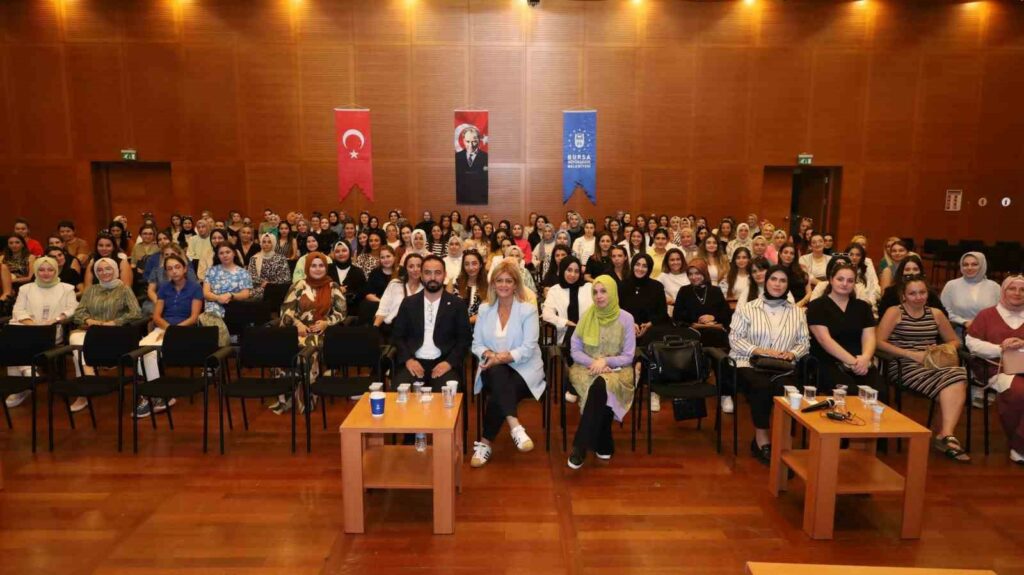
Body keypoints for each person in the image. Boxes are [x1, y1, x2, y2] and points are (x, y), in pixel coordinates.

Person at [877, 275, 971, 463]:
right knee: (954, 379)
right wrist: (910, 354)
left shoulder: (935, 314)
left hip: (932, 363)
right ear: (903, 296)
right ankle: (944, 437)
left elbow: (955, 340)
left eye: (922, 292)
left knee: (958, 374)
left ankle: (946, 433)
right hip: (903, 365)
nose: (918, 297)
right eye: (912, 293)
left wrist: (942, 348)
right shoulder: (895, 312)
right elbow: (879, 342)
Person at [729, 266, 810, 464]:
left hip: (783, 366)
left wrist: (792, 353)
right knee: (762, 386)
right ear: (766, 282)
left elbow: (804, 342)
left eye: (783, 280)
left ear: (788, 285)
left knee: (788, 390)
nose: (777, 284)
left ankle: (784, 444)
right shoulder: (748, 308)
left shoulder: (797, 312)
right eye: (773, 279)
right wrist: (759, 350)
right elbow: (735, 339)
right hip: (749, 362)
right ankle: (762, 441)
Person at [470, 259, 546, 467]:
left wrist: (499, 358)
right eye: (499, 280)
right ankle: (516, 427)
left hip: (524, 369)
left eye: (508, 281)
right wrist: (489, 355)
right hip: (492, 367)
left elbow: (528, 347)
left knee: (499, 388)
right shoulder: (484, 310)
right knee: (498, 375)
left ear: (515, 285)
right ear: (493, 284)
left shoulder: (527, 310)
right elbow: (476, 344)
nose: (503, 285)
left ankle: (485, 443)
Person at [566, 276, 636, 469]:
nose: (599, 296)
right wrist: (594, 363)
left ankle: (580, 446)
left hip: (618, 369)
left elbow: (628, 356)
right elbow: (575, 351)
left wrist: (606, 361)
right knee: (599, 385)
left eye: (603, 291)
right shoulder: (587, 316)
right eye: (595, 292)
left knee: (601, 385)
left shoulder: (626, 318)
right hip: (586, 368)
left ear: (612, 292)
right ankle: (604, 440)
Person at [273, 252, 348, 414]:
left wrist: (327, 322)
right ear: (307, 267)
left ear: (326, 267)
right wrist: (297, 323)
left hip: (321, 331)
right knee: (281, 349)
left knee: (309, 351)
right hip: (297, 329)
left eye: (321, 265)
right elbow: (286, 310)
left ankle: (306, 400)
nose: (318, 269)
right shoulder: (298, 285)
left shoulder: (333, 286)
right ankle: (286, 398)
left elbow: (341, 312)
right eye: (313, 266)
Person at [134, 254, 204, 418]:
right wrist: (168, 328)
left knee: (151, 353)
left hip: (185, 330)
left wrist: (174, 331)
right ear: (166, 272)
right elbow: (157, 316)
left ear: (185, 269)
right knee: (142, 351)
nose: (174, 271)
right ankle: (157, 396)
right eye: (170, 269)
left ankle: (154, 396)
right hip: (165, 328)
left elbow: (194, 317)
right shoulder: (164, 288)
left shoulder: (195, 288)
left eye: (177, 267)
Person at [69, 258, 143, 412]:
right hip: (93, 330)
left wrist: (115, 322)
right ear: (96, 273)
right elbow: (78, 313)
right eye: (100, 270)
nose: (104, 272)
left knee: (80, 346)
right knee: (75, 339)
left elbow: (136, 313)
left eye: (108, 269)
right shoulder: (90, 290)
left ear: (115, 270)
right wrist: (89, 320)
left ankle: (86, 389)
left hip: (115, 332)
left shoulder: (124, 289)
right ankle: (87, 382)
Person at [4, 257, 78, 409]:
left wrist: (56, 319)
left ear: (56, 271)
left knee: (17, 339)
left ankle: (24, 381)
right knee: (15, 333)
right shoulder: (25, 289)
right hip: (28, 327)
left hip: (52, 330)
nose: (46, 273)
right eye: (41, 270)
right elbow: (18, 310)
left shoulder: (67, 288)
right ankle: (23, 379)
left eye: (50, 270)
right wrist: (33, 324)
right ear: (36, 271)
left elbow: (73, 309)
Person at [965, 275, 1024, 464]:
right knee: (1019, 392)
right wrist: (1000, 348)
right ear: (1003, 291)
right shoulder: (987, 315)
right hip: (996, 368)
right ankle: (1019, 446)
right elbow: (971, 343)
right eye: (1012, 289)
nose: (1017, 293)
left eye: (1022, 290)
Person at [391, 255, 472, 391]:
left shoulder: (457, 305)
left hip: (444, 362)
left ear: (445, 275)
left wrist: (448, 363)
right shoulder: (409, 303)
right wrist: (409, 360)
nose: (433, 277)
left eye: (438, 273)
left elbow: (464, 340)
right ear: (421, 275)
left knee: (448, 394)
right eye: (428, 273)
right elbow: (397, 337)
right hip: (414, 361)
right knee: (401, 392)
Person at [806, 263, 882, 397]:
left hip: (861, 361)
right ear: (831, 280)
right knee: (850, 392)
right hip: (828, 362)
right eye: (840, 279)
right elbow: (825, 340)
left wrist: (865, 358)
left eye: (850, 280)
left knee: (880, 391)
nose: (845, 284)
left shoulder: (863, 307)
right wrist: (853, 362)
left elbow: (869, 336)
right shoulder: (816, 306)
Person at [200, 244, 253, 346]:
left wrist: (231, 295)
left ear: (234, 253)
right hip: (213, 307)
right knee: (209, 318)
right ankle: (220, 348)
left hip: (233, 307)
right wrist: (218, 297)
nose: (225, 255)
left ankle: (224, 349)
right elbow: (206, 293)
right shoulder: (211, 271)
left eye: (228, 252)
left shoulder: (243, 272)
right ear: (218, 256)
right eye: (221, 253)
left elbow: (245, 294)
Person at [940, 252, 1001, 333]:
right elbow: (943, 311)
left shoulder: (994, 287)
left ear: (982, 265)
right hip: (958, 331)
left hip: (988, 332)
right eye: (965, 264)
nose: (969, 268)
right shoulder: (951, 285)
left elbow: (1001, 311)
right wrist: (964, 322)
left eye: (974, 264)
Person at [542, 256, 593, 346]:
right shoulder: (555, 290)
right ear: (562, 270)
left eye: (576, 271)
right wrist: (565, 322)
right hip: (566, 336)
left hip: (589, 334)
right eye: (569, 270)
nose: (573, 275)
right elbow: (546, 314)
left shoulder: (589, 288)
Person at [621, 253, 669, 347]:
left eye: (644, 266)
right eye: (637, 264)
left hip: (652, 329)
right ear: (633, 265)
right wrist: (630, 323)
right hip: (626, 327)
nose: (640, 268)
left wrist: (649, 324)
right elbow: (618, 310)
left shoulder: (657, 287)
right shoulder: (622, 285)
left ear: (649, 268)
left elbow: (662, 312)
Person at [877, 256, 945, 319]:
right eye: (907, 269)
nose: (911, 272)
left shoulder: (929, 292)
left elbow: (943, 314)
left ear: (921, 272)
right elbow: (882, 315)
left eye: (915, 269)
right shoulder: (891, 292)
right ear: (901, 272)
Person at [374, 253, 424, 328]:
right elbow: (383, 309)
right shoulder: (395, 284)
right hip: (391, 327)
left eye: (419, 266)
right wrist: (375, 328)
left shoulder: (426, 289)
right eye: (411, 266)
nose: (415, 269)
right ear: (406, 268)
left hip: (415, 329)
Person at [246, 232, 291, 302]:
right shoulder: (254, 258)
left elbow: (285, 278)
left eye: (269, 242)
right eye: (264, 242)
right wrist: (262, 282)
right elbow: (251, 276)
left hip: (275, 289)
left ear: (273, 244)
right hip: (258, 287)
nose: (266, 244)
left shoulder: (281, 258)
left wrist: (269, 285)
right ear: (261, 243)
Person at [326, 241, 367, 312]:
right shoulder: (327, 269)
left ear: (350, 252)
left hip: (352, 312)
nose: (341, 254)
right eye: (337, 251)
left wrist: (348, 293)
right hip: (329, 311)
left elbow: (362, 294)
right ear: (334, 254)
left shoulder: (358, 272)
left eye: (344, 251)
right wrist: (336, 290)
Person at [451, 249, 488, 325]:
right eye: (467, 264)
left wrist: (464, 322)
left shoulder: (487, 286)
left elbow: (485, 312)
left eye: (474, 263)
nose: (470, 268)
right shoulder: (453, 283)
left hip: (478, 327)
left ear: (480, 265)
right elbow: (446, 307)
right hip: (454, 326)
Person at [455, 127, 488, 204]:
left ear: (479, 140)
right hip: (461, 200)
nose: (471, 145)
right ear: (463, 141)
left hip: (481, 200)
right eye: (468, 141)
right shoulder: (456, 157)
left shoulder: (486, 157)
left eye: (474, 141)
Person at [657, 248, 689, 316]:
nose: (675, 262)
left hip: (688, 311)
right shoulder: (663, 276)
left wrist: (674, 301)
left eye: (678, 259)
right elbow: (656, 295)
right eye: (672, 260)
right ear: (667, 262)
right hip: (670, 314)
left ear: (682, 260)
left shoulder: (689, 274)